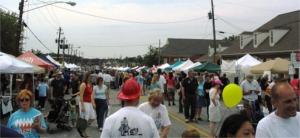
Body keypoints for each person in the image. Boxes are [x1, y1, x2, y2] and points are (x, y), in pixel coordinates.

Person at [78, 71, 96, 138]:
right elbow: (81, 95)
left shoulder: (89, 84)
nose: (91, 77)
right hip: (84, 103)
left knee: (93, 117)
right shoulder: (83, 84)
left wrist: (93, 103)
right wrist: (82, 106)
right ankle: (84, 133)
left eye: (91, 76)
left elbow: (91, 95)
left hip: (89, 103)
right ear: (87, 77)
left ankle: (81, 128)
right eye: (90, 76)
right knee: (85, 118)